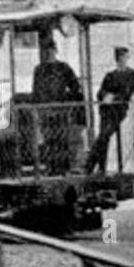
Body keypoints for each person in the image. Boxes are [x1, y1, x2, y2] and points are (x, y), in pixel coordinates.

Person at [31, 40, 84, 173]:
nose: (50, 53)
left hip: (61, 111)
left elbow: (75, 86)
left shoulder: (63, 67)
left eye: (52, 50)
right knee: (49, 140)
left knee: (62, 139)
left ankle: (64, 168)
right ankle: (52, 167)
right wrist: (38, 109)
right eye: (47, 51)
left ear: (56, 51)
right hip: (46, 111)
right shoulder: (39, 69)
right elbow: (36, 91)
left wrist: (67, 102)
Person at [86, 47, 134, 174]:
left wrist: (113, 97)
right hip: (106, 110)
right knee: (104, 137)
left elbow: (127, 93)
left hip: (118, 111)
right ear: (117, 59)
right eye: (121, 57)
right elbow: (100, 92)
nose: (123, 60)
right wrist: (105, 96)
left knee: (104, 135)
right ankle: (101, 167)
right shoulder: (110, 75)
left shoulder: (131, 74)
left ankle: (89, 165)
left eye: (125, 57)